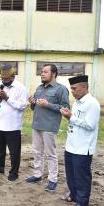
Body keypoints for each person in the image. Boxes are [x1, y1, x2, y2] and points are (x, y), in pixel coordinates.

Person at [26, 64, 70, 192]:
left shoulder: (61, 89)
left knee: (50, 154)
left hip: (49, 126)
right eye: (41, 72)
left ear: (54, 74)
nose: (42, 74)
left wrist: (48, 104)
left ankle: (52, 180)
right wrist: (32, 103)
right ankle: (38, 174)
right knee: (37, 152)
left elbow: (65, 108)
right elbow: (34, 108)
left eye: (45, 72)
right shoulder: (39, 88)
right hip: (37, 124)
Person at [60, 75, 100, 206]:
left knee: (81, 176)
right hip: (71, 144)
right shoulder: (77, 102)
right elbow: (75, 120)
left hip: (83, 147)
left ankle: (82, 203)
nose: (72, 91)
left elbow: (90, 125)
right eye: (71, 88)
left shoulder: (92, 104)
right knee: (70, 174)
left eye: (74, 88)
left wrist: (71, 117)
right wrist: (69, 117)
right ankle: (73, 195)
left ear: (84, 87)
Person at [0, 65, 28, 181]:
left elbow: (22, 106)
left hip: (12, 126)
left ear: (12, 77)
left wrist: (7, 98)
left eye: (6, 79)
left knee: (14, 152)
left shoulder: (21, 88)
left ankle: (14, 172)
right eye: (2, 79)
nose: (4, 81)